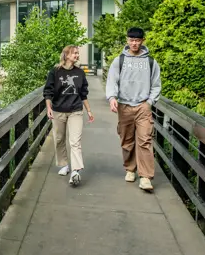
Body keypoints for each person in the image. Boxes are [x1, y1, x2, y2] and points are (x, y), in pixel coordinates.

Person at [105, 27, 162, 192]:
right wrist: (112, 98)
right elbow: (112, 81)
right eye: (131, 40)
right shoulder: (119, 60)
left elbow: (156, 85)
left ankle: (145, 177)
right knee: (127, 140)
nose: (134, 43)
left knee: (145, 140)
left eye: (137, 40)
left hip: (143, 106)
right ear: (127, 40)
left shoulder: (151, 62)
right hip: (124, 106)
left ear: (142, 40)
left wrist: (150, 102)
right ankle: (130, 168)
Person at [44, 45, 94, 186]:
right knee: (59, 139)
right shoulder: (55, 71)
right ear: (66, 55)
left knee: (75, 141)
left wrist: (89, 111)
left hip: (75, 110)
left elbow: (83, 94)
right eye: (74, 53)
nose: (77, 55)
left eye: (78, 53)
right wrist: (49, 107)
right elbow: (48, 91)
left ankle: (75, 171)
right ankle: (64, 164)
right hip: (58, 110)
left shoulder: (80, 73)